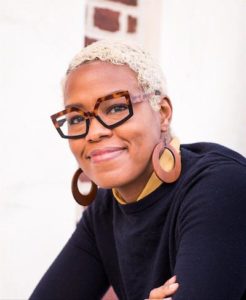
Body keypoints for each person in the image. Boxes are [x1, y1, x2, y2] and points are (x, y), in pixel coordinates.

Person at [29, 39, 246, 300]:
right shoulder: (105, 211)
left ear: (163, 113)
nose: (94, 132)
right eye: (76, 118)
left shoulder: (221, 186)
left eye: (116, 107)